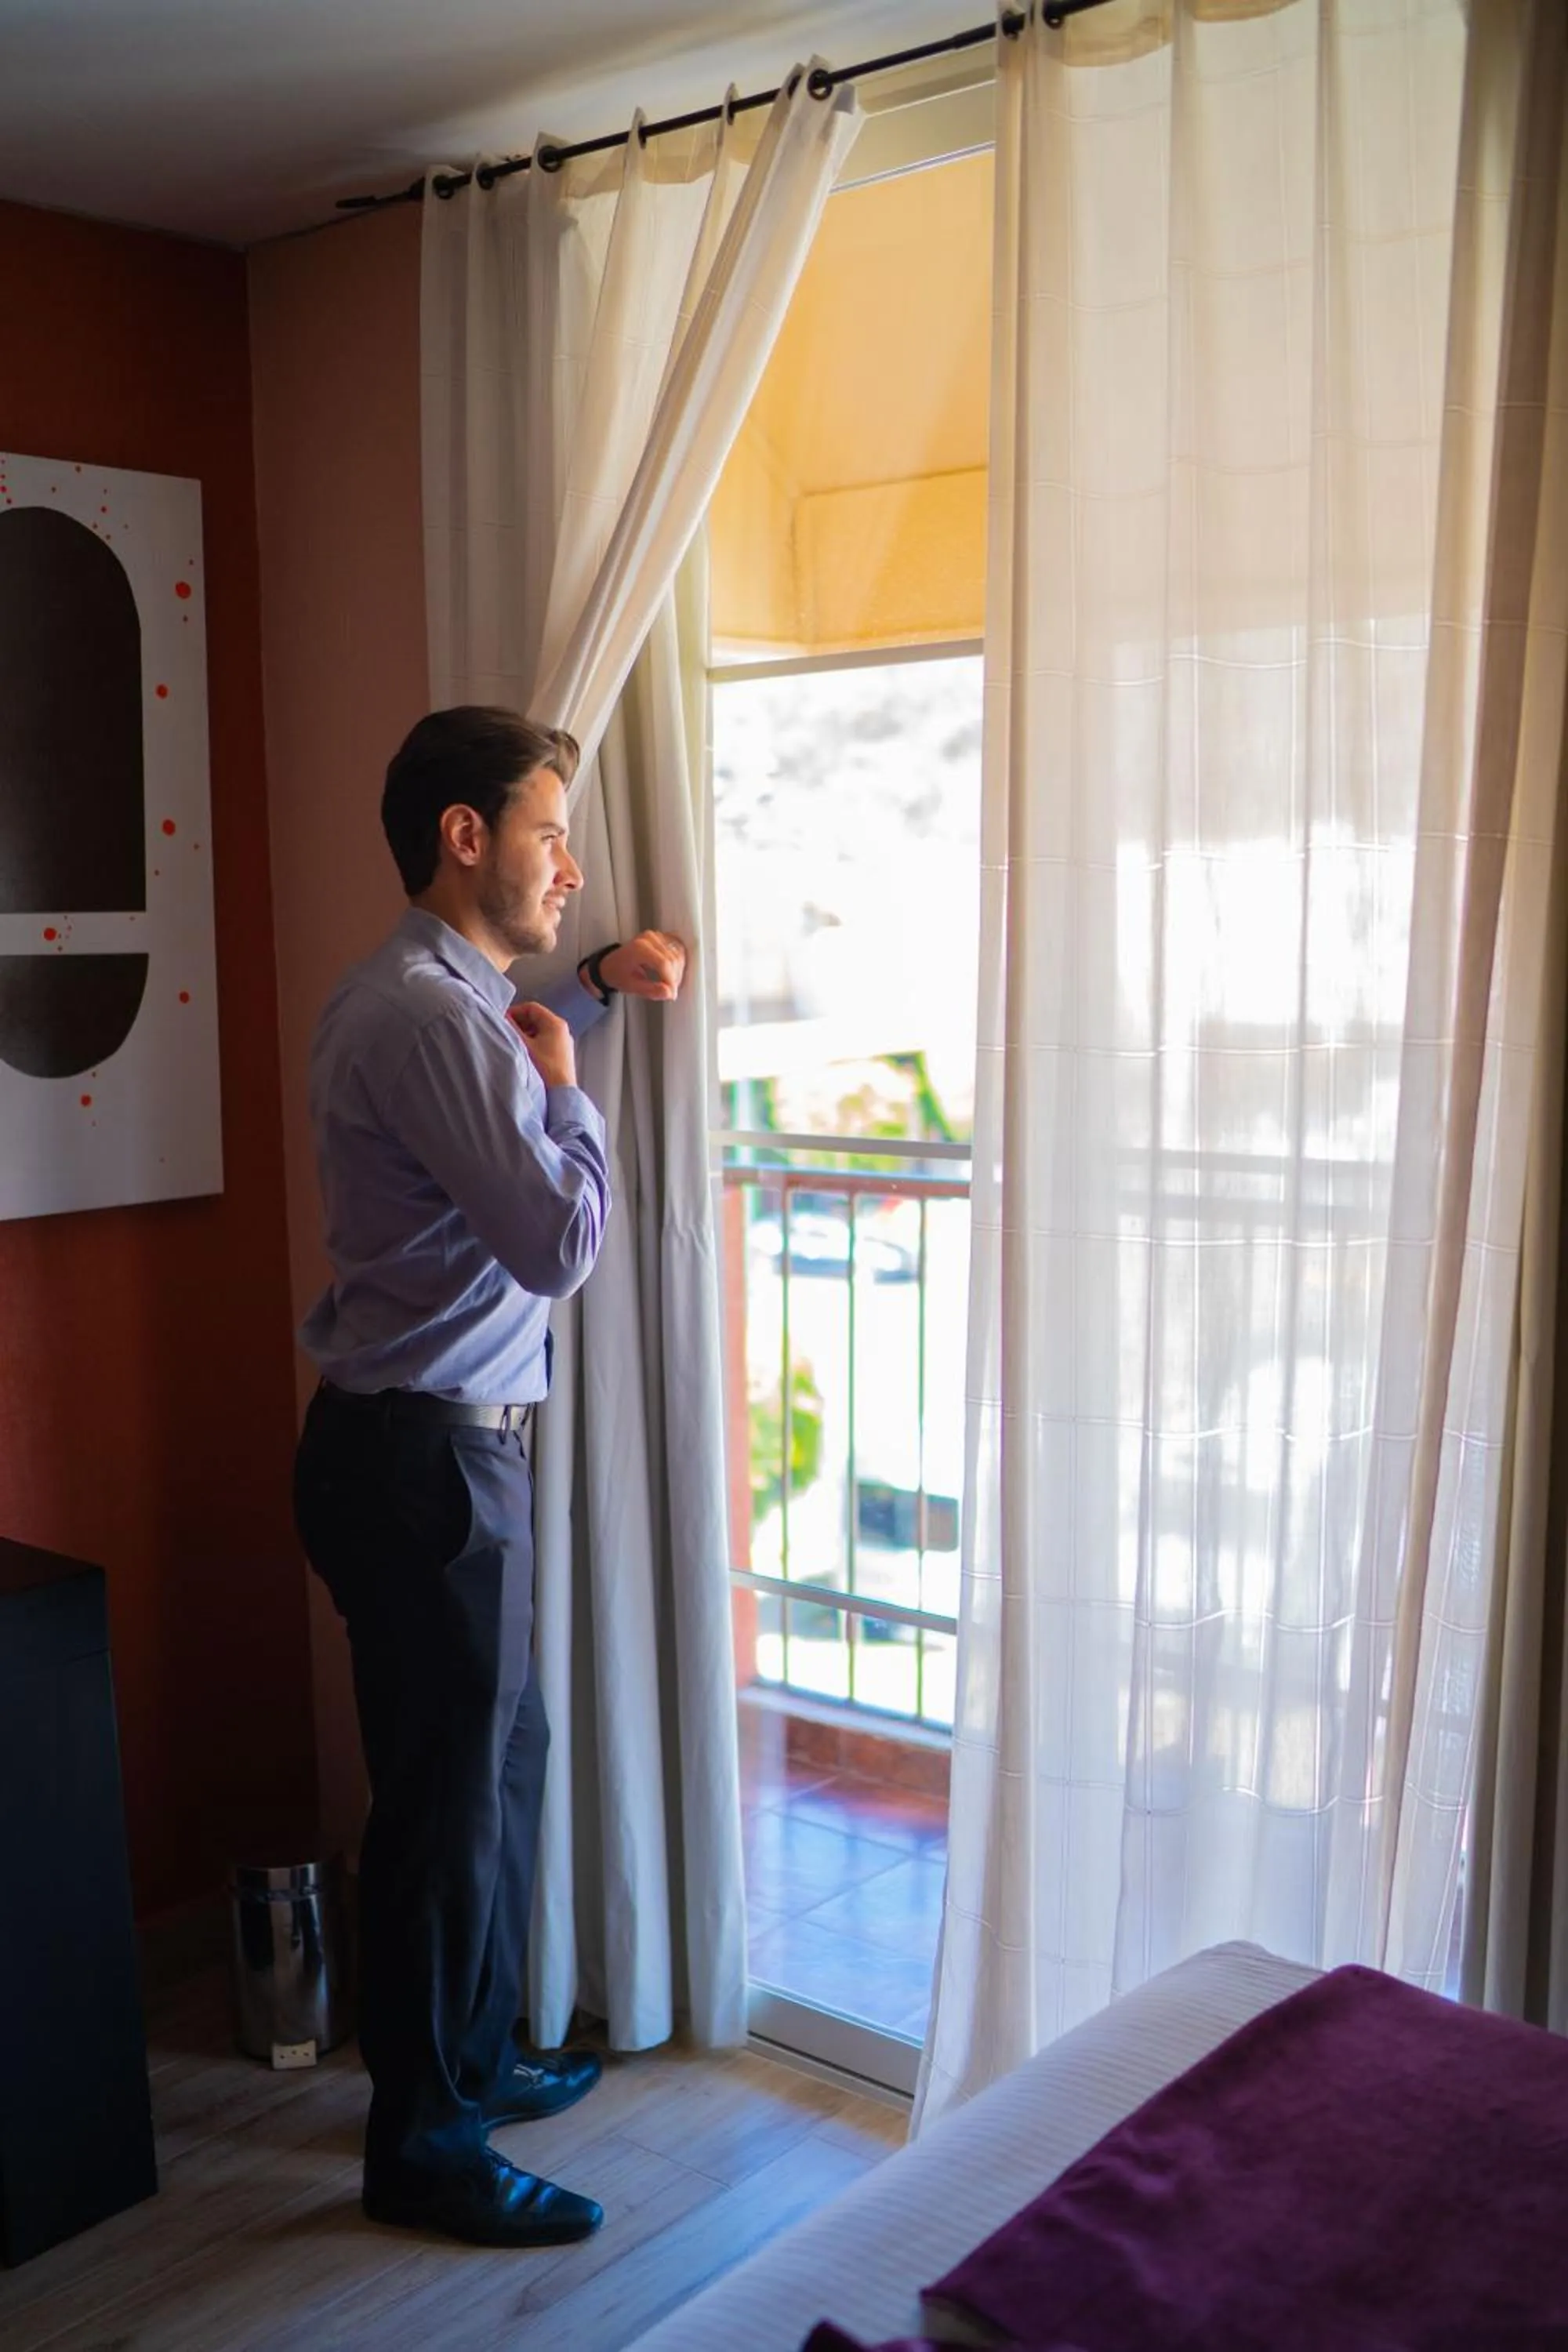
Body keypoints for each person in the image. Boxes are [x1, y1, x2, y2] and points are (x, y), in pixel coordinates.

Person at [292, 706, 687, 2249]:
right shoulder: (430, 1016)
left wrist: (578, 991)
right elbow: (553, 1241)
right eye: (546, 832)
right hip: (432, 1464)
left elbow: (490, 1037)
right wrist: (575, 1087)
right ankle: (425, 2147)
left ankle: (470, 2059)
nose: (570, 866)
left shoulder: (438, 995)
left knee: (489, 1776)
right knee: (444, 1806)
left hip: (425, 1451)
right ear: (467, 839)